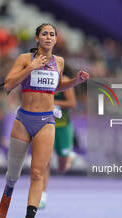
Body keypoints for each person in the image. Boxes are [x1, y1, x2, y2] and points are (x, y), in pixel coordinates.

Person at [0, 23, 89, 218]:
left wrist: (75, 81)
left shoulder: (60, 62)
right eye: (44, 34)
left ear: (56, 40)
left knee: (38, 172)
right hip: (23, 121)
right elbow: (8, 85)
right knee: (13, 174)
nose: (48, 37)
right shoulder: (24, 59)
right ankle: (7, 193)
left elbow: (55, 88)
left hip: (46, 122)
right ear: (37, 39)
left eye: (52, 34)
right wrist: (31, 67)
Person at [40, 73, 77, 209]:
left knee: (62, 168)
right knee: (45, 162)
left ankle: (69, 157)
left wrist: (53, 102)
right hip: (47, 126)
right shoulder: (42, 79)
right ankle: (42, 197)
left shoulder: (65, 81)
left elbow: (72, 103)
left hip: (63, 128)